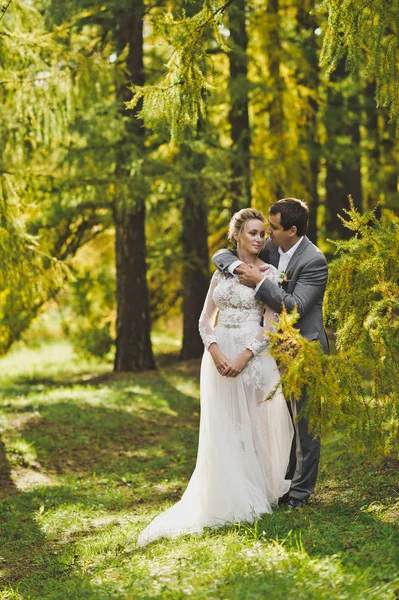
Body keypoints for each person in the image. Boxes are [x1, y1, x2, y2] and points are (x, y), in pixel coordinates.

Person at [137, 208, 293, 546]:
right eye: (252, 232)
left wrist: (242, 357)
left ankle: (259, 489)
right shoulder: (221, 273)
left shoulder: (270, 274)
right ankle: (227, 487)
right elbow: (205, 320)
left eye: (262, 233)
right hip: (218, 360)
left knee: (255, 424)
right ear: (236, 235)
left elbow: (271, 324)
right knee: (223, 425)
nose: (259, 238)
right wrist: (217, 353)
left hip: (253, 359)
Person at [212, 198, 329, 510]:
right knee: (276, 422)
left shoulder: (314, 261)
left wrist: (261, 281)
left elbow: (296, 307)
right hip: (268, 348)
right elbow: (223, 254)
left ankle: (300, 496)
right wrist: (237, 266)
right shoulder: (270, 247)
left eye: (273, 229)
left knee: (303, 423)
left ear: (291, 230)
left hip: (303, 348)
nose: (266, 236)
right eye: (265, 230)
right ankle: (280, 484)